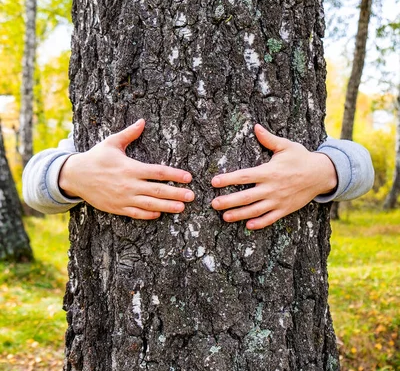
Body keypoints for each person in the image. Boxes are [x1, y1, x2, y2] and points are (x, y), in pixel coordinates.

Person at [22, 118, 374, 228]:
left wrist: (322, 170)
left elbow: (363, 167)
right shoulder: (92, 133)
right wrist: (72, 174)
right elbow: (33, 184)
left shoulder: (298, 133)